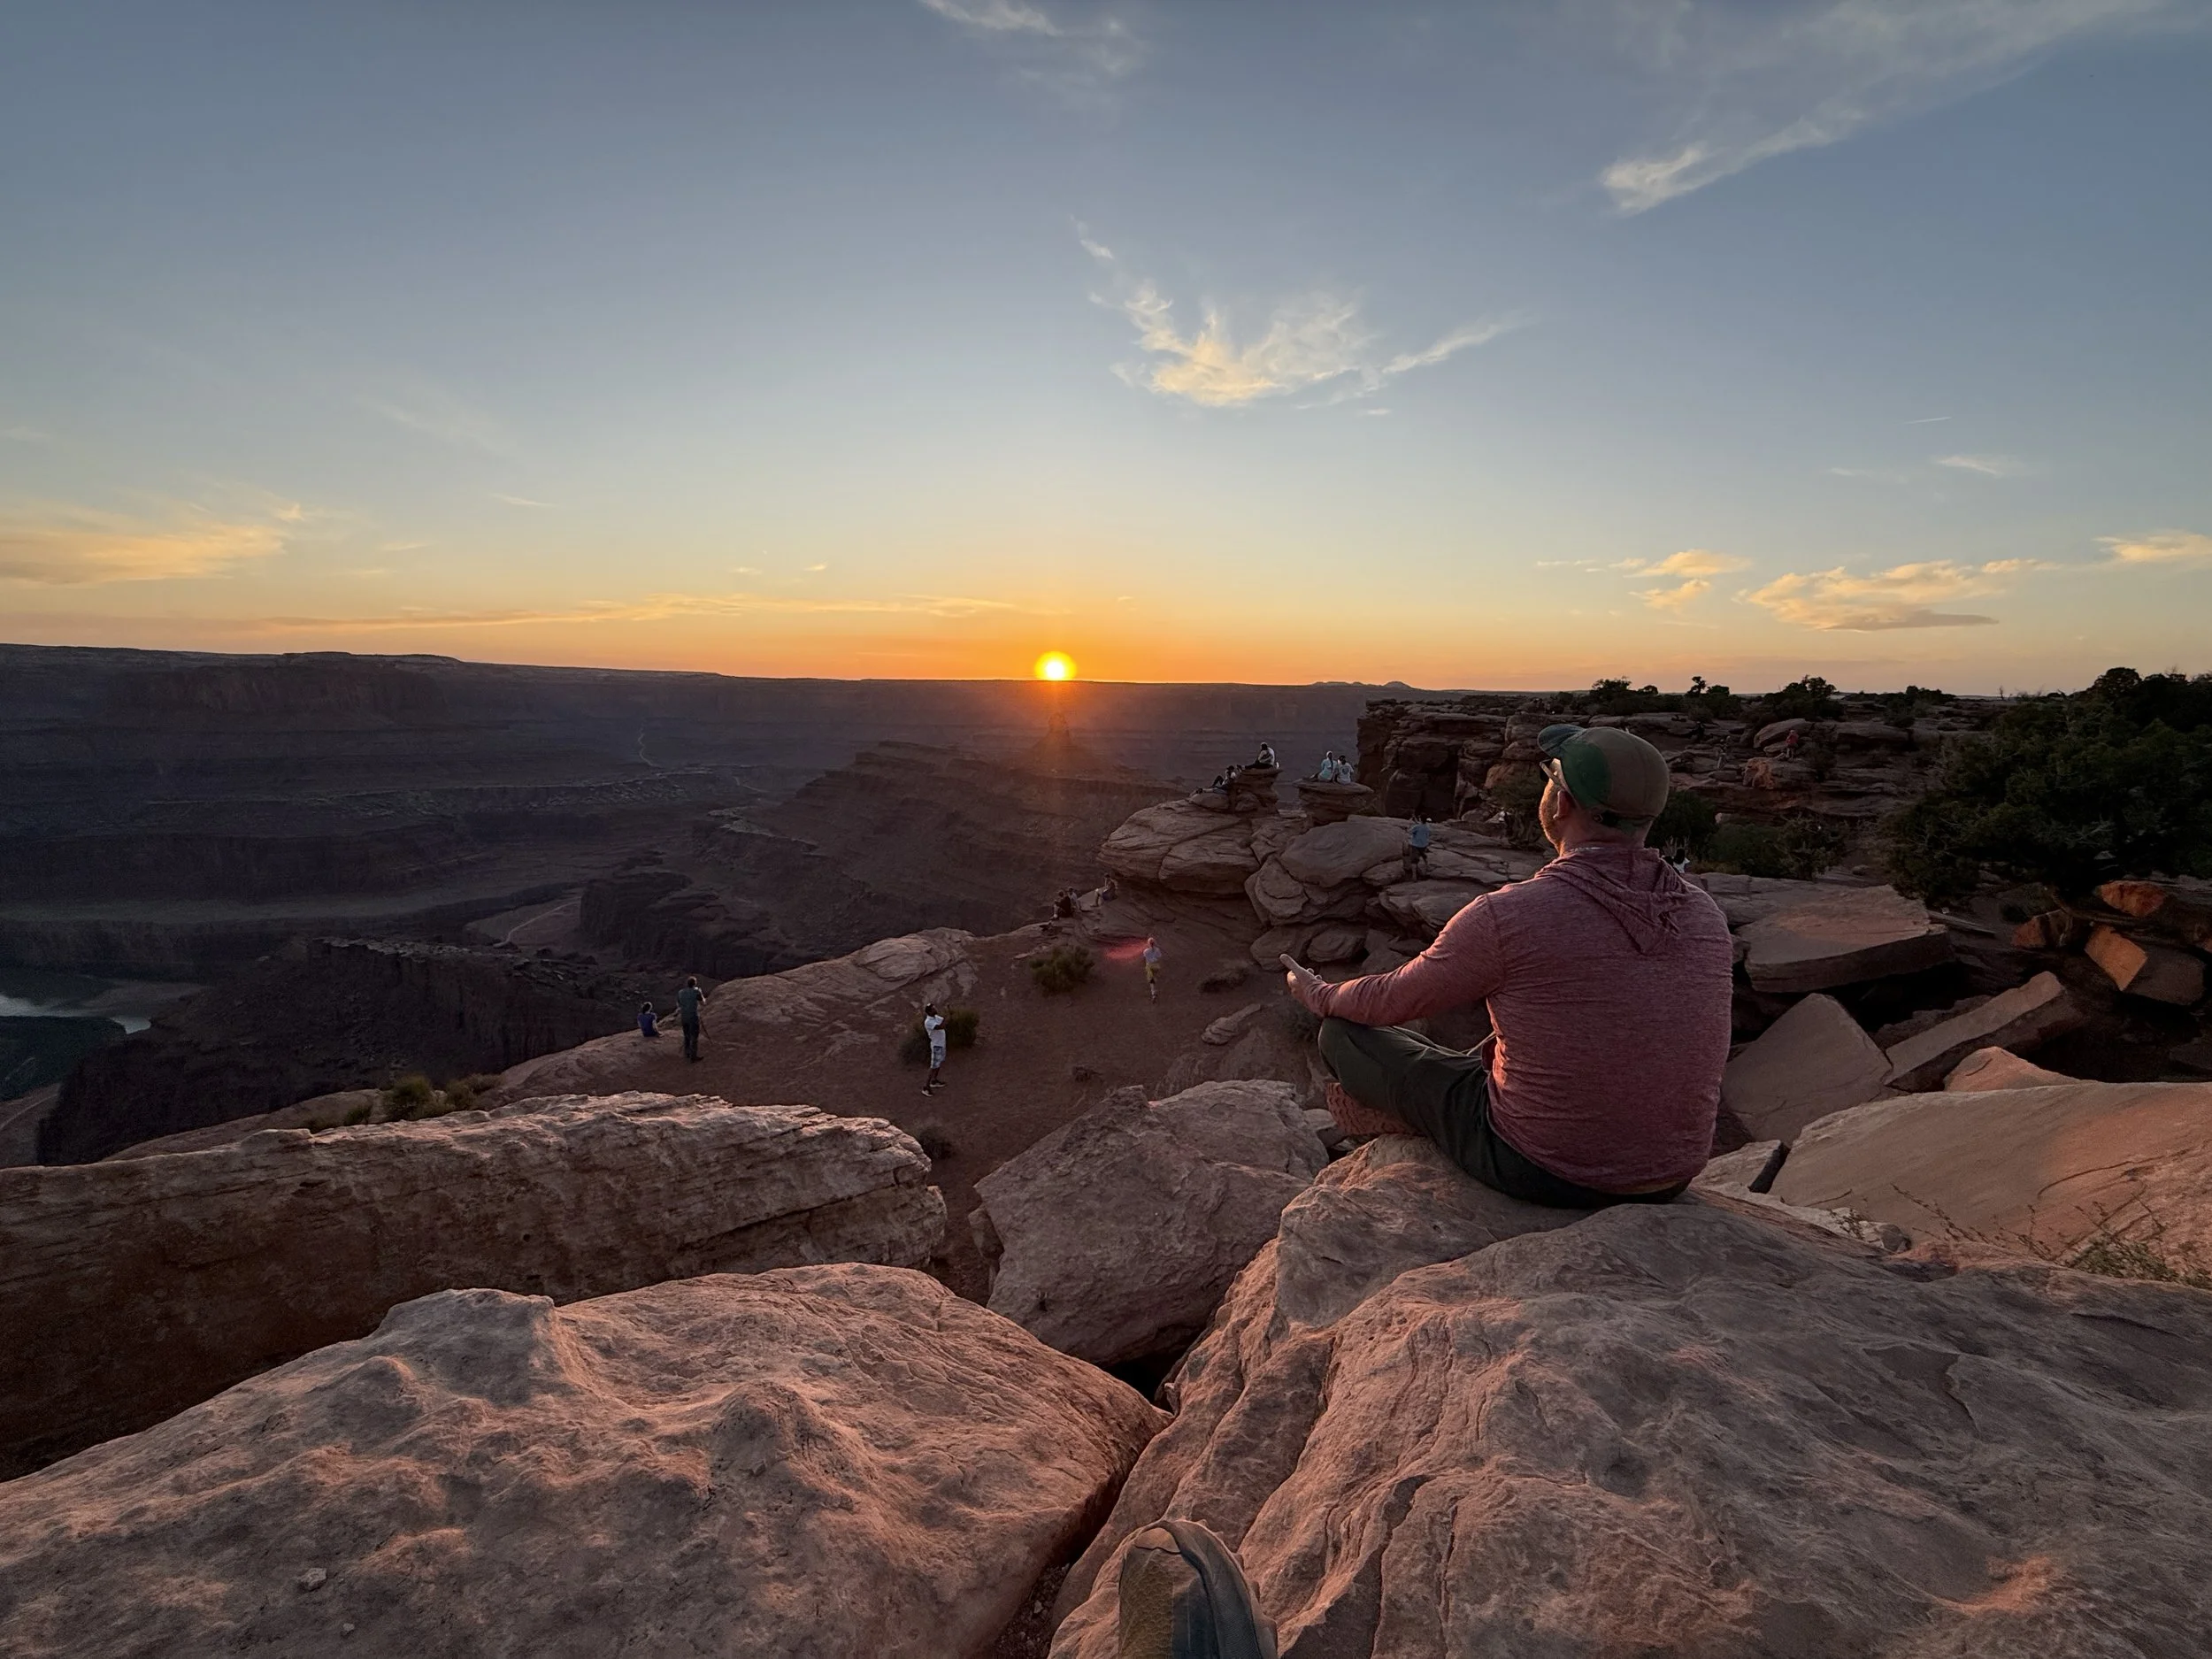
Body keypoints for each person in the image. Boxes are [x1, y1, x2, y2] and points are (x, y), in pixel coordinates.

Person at [1282, 723, 1732, 1210]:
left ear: (1561, 803)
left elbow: (1393, 999)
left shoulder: (1512, 915)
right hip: (1669, 1174)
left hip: (1544, 1167)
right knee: (1477, 1051)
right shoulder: (1703, 913)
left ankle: (1408, 1121)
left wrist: (1319, 995)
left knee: (1344, 1035)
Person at [674, 974, 705, 1063]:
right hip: (693, 1016)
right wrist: (701, 993)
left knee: (686, 1035)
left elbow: (678, 1005)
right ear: (694, 984)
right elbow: (703, 1003)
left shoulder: (680, 992)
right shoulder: (696, 992)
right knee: (694, 1036)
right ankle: (693, 1056)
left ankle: (687, 1053)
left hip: (684, 1017)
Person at [921, 1002, 948, 1094]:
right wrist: (948, 1015)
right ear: (929, 1012)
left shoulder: (936, 1018)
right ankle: (926, 1087)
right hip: (937, 1046)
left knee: (938, 1064)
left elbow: (944, 1021)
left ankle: (934, 1080)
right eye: (933, 1009)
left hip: (941, 1044)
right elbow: (942, 1026)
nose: (935, 1009)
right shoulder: (929, 1022)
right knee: (933, 1066)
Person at [1403, 814, 1432, 879]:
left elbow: (1409, 831)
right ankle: (1428, 868)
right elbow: (1421, 825)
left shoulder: (1417, 827)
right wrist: (1416, 821)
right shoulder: (1427, 826)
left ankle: (1414, 876)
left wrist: (1408, 825)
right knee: (1424, 856)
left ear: (1420, 819)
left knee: (1414, 860)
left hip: (1416, 845)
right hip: (1424, 845)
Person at [1142, 935, 1163, 1002]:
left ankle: (1153, 993)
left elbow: (1145, 958)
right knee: (1154, 978)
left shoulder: (1146, 951)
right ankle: (1154, 990)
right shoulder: (1157, 949)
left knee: (1151, 981)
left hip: (1149, 966)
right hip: (1156, 966)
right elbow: (1159, 956)